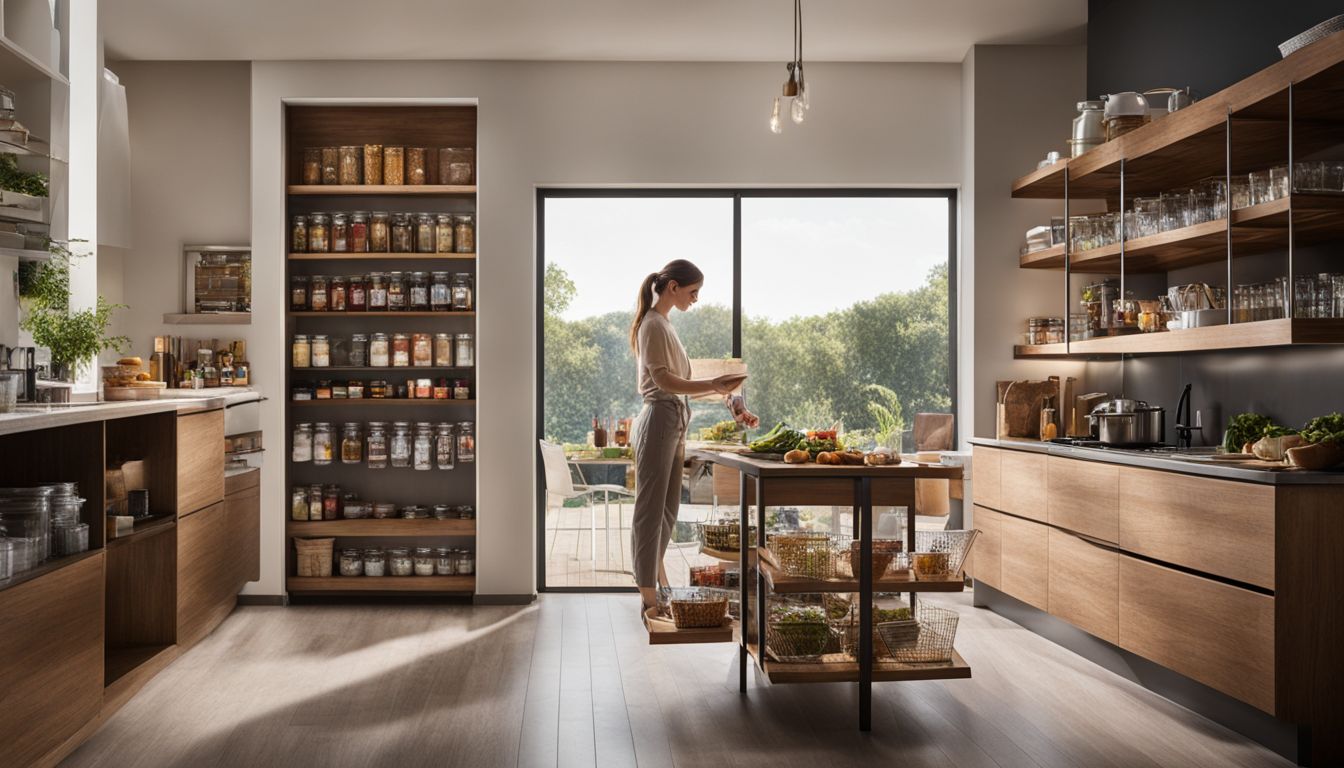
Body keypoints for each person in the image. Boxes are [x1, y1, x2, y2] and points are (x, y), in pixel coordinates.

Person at [629, 259, 758, 613]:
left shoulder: (665, 325)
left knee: (668, 510)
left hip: (673, 419)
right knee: (650, 510)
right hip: (659, 419)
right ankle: (648, 596)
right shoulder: (652, 325)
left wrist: (731, 401)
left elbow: (685, 382)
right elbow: (664, 381)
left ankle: (659, 583)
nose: (695, 299)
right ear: (673, 287)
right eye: (692, 292)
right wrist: (714, 384)